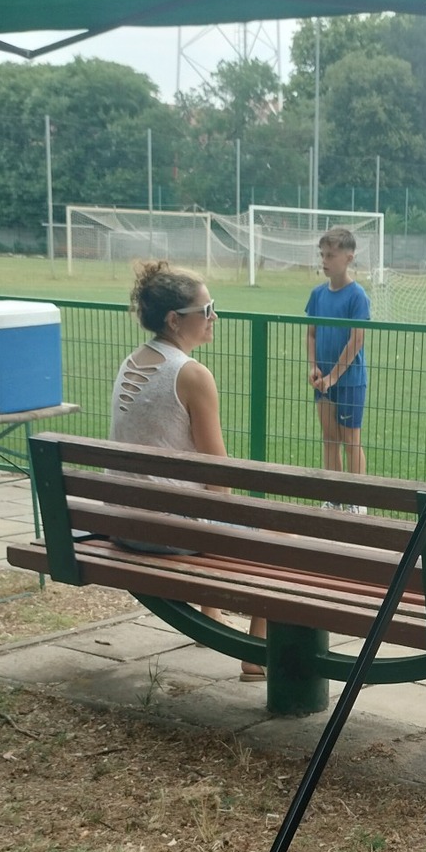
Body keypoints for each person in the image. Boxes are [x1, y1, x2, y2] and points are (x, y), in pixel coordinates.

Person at [112, 259, 265, 679]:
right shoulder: (192, 375)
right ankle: (257, 653)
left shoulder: (132, 362)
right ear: (175, 320)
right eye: (207, 310)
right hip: (167, 533)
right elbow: (219, 477)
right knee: (286, 542)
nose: (214, 317)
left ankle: (210, 614)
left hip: (121, 523)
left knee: (218, 516)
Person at [304, 227, 370, 492]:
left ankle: (358, 500)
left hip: (350, 381)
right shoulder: (317, 294)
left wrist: (334, 376)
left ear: (348, 258)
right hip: (323, 381)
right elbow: (311, 334)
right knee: (330, 439)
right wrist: (313, 366)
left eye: (330, 255)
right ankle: (334, 497)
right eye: (322, 255)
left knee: (350, 440)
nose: (324, 261)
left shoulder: (357, 296)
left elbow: (357, 340)